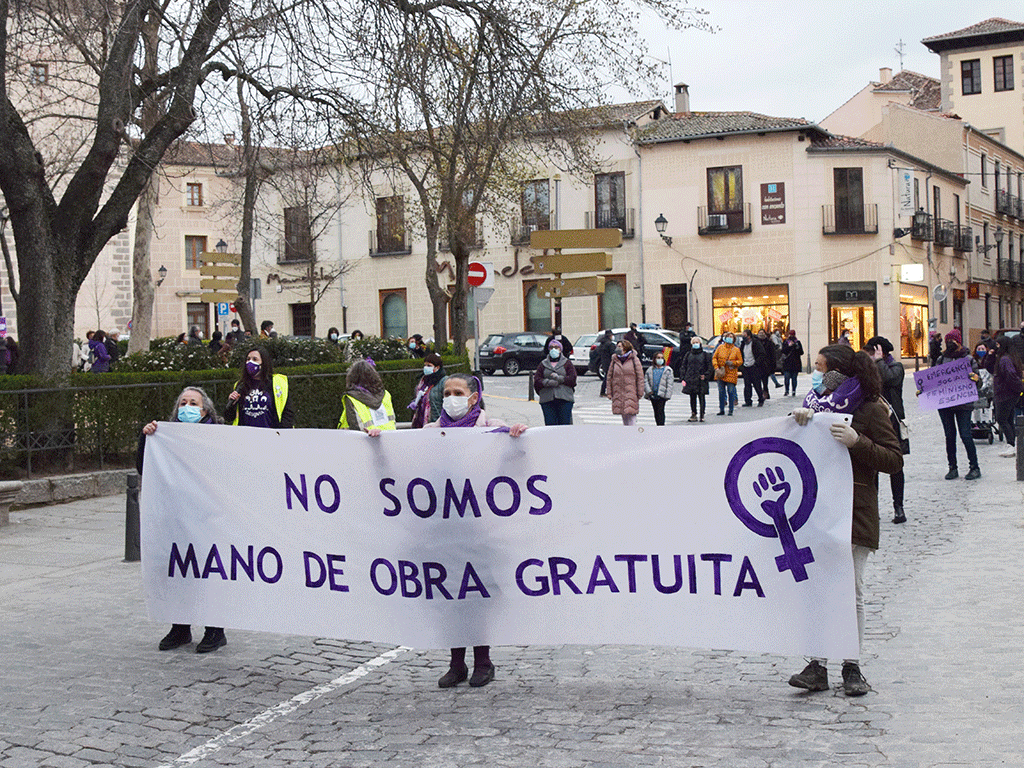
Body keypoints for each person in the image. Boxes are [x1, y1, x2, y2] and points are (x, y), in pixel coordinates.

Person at [789, 344, 903, 696]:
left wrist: (858, 441)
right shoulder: (815, 406)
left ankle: (851, 665)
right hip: (818, 511)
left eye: (821, 367)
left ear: (838, 372)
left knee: (851, 590)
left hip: (855, 511)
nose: (816, 373)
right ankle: (817, 664)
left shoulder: (869, 408)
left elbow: (893, 459)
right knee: (820, 589)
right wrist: (799, 426)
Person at [423, 373, 527, 688]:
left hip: (480, 526)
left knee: (478, 594)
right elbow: (404, 465)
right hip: (445, 526)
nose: (453, 397)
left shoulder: (489, 427)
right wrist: (378, 439)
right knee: (451, 595)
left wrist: (517, 436)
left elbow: (517, 460)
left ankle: (483, 661)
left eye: (459, 392)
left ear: (473, 397)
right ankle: (457, 664)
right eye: (448, 392)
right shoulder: (429, 432)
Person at [137, 386, 229, 653]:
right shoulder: (166, 436)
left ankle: (215, 630)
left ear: (204, 410)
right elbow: (144, 467)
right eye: (183, 403)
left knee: (209, 572)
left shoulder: (219, 435)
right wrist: (148, 439)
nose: (187, 407)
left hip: (209, 516)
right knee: (179, 570)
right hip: (177, 516)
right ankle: (180, 628)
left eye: (193, 403)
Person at [866, 336, 909, 524]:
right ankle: (872, 508)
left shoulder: (896, 367)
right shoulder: (869, 369)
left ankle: (898, 507)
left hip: (893, 422)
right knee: (871, 464)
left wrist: (879, 361)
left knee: (895, 465)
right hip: (873, 422)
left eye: (873, 351)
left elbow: (888, 379)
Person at [928, 329, 981, 480]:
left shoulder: (968, 359)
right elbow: (934, 378)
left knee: (965, 434)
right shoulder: (941, 359)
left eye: (953, 341)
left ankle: (974, 466)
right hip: (945, 405)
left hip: (963, 404)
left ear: (959, 342)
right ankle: (952, 467)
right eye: (947, 341)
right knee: (949, 436)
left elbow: (978, 383)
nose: (950, 344)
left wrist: (975, 379)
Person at [225, 346, 295, 428]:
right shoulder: (240, 385)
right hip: (245, 436)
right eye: (248, 359)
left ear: (264, 362)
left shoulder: (276, 383)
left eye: (255, 359)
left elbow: (288, 413)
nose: (250, 362)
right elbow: (228, 417)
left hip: (270, 436)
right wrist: (232, 404)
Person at [982, 335, 1023, 458]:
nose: (996, 347)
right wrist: (990, 355)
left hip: (1005, 394)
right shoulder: (1004, 358)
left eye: (998, 345)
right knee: (1009, 419)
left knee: (1002, 419)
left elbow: (1010, 375)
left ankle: (1011, 445)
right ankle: (1012, 444)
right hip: (1008, 393)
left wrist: (1018, 388)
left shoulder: (1005, 359)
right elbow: (990, 368)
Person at [338, 359, 396, 432]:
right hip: (388, 438)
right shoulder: (385, 395)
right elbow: (392, 420)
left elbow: (354, 425)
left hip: (364, 440)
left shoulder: (352, 398)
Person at [534, 339, 577, 426]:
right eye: (551, 347)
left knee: (564, 425)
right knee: (550, 425)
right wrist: (547, 382)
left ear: (560, 349)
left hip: (564, 398)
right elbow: (537, 380)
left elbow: (573, 379)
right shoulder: (543, 364)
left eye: (556, 347)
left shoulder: (567, 363)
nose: (554, 349)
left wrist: (560, 379)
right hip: (547, 399)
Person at [606, 340, 643, 426]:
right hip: (619, 392)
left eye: (620, 346)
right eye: (617, 346)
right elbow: (609, 377)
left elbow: (640, 377)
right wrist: (609, 392)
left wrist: (640, 392)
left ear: (625, 348)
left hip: (631, 392)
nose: (617, 348)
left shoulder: (634, 359)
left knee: (631, 416)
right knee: (624, 416)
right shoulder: (615, 360)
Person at [409, 353, 447, 429]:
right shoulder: (422, 382)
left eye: (429, 365)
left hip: (436, 424)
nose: (426, 368)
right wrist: (414, 402)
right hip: (420, 422)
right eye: (425, 365)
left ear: (437, 367)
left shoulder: (444, 381)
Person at [679, 335, 712, 422]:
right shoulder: (688, 354)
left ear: (700, 343)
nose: (695, 344)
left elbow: (710, 367)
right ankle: (693, 413)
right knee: (692, 398)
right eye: (694, 342)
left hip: (701, 380)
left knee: (701, 397)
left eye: (697, 342)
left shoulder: (705, 355)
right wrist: (683, 377)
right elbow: (683, 366)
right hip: (690, 379)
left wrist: (706, 375)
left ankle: (702, 414)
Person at [712, 332, 742, 416]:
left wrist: (733, 363)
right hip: (721, 372)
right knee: (721, 392)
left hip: (731, 373)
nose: (729, 338)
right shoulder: (720, 347)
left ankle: (731, 410)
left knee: (730, 391)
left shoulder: (736, 349)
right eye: (728, 336)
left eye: (731, 337)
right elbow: (714, 358)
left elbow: (740, 361)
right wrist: (716, 367)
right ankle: (721, 409)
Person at [643, 349, 674, 425]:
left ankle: (661, 425)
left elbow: (670, 384)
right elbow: (645, 381)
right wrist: (649, 392)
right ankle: (658, 424)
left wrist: (667, 395)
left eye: (661, 358)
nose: (660, 360)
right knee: (656, 411)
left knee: (660, 411)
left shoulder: (667, 370)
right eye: (658, 358)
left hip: (662, 395)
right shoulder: (650, 370)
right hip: (653, 394)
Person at [738, 329, 766, 407]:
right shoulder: (743, 344)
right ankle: (748, 401)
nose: (743, 337)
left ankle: (761, 399)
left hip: (754, 367)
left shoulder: (756, 343)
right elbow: (740, 354)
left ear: (749, 336)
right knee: (747, 385)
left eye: (745, 335)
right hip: (745, 366)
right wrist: (741, 365)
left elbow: (762, 354)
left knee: (757, 384)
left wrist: (756, 363)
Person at [780, 330, 804, 396]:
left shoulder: (798, 342)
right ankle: (786, 390)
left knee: (794, 379)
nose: (791, 336)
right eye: (790, 334)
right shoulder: (785, 342)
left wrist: (797, 347)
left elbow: (801, 352)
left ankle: (793, 390)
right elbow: (783, 351)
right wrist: (789, 346)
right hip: (787, 363)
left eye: (792, 335)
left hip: (795, 363)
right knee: (786, 378)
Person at [757, 328, 778, 398]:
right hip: (758, 364)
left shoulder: (769, 343)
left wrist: (773, 364)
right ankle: (761, 393)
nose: (761, 334)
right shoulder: (756, 342)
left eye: (762, 333)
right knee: (758, 381)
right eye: (759, 333)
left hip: (766, 365)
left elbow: (773, 354)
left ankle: (765, 392)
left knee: (765, 381)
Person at [597, 330, 616, 398]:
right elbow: (613, 353)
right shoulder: (610, 344)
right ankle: (605, 391)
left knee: (607, 377)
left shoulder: (602, 343)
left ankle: (605, 391)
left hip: (604, 362)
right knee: (608, 377)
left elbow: (598, 352)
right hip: (610, 362)